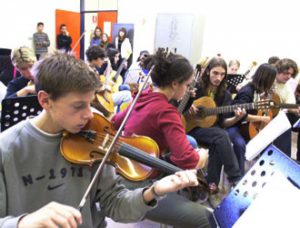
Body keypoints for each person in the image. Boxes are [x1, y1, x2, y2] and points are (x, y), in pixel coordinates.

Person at [0, 52, 201, 227]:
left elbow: (114, 205)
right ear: (45, 100)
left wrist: (153, 191)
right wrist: (21, 223)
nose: (89, 114)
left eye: (91, 103)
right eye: (79, 106)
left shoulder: (95, 138)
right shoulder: (6, 149)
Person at [112, 49, 211, 227]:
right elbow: (187, 159)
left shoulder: (142, 98)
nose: (188, 89)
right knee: (206, 219)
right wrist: (201, 158)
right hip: (138, 185)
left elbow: (114, 122)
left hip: (123, 170)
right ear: (175, 84)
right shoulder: (166, 111)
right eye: (187, 85)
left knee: (190, 141)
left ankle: (185, 194)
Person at [185, 57, 242, 194]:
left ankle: (211, 184)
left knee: (219, 139)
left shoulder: (225, 95)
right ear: (208, 71)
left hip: (212, 132)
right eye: (215, 73)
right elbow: (178, 105)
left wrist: (236, 118)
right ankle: (235, 177)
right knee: (221, 135)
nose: (218, 78)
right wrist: (188, 104)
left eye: (222, 75)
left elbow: (223, 123)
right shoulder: (196, 87)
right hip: (191, 127)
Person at [226, 63, 277, 175]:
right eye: (273, 79)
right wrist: (261, 118)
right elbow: (239, 115)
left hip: (245, 126)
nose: (274, 82)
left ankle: (263, 173)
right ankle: (237, 177)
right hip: (232, 124)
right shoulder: (247, 91)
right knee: (240, 144)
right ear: (267, 79)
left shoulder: (259, 91)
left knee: (267, 141)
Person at [85, 46, 132, 114]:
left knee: (126, 92)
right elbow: (90, 88)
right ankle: (119, 117)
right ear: (96, 58)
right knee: (127, 95)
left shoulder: (93, 69)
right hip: (95, 100)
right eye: (102, 59)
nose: (103, 61)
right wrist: (104, 87)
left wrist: (109, 65)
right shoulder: (87, 71)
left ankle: (118, 115)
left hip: (100, 97)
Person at [272, 58, 299, 158]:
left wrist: (296, 110)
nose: (289, 77)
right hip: (268, 116)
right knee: (284, 125)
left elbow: (291, 105)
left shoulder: (287, 87)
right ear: (278, 70)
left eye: (291, 74)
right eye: (286, 73)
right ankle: (282, 158)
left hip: (282, 115)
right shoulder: (269, 81)